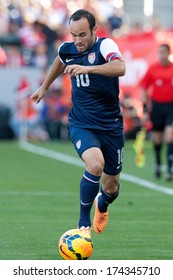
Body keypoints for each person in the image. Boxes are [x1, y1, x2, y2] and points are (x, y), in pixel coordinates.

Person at [30, 9, 126, 236]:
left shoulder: (105, 46)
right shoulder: (67, 49)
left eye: (82, 35)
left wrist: (89, 68)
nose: (77, 40)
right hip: (82, 123)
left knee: (111, 187)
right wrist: (44, 87)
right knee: (95, 165)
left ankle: (102, 205)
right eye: (73, 35)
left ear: (94, 30)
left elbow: (120, 67)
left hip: (111, 125)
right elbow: (59, 61)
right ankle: (83, 224)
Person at [140, 43, 173, 181]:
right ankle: (158, 163)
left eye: (164, 52)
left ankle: (169, 169)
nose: (162, 55)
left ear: (168, 53)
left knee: (170, 137)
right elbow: (143, 87)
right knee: (157, 138)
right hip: (157, 107)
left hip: (171, 106)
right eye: (159, 52)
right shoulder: (153, 69)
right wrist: (145, 108)